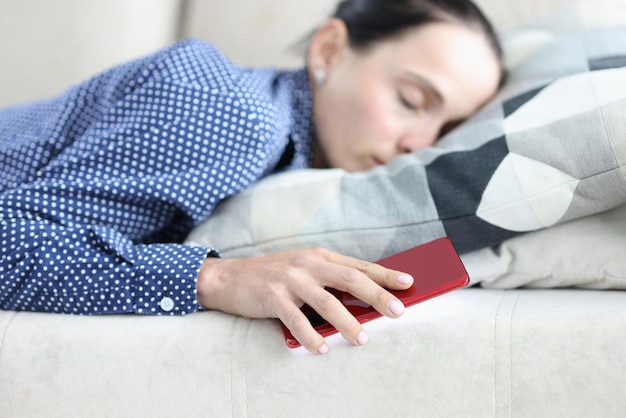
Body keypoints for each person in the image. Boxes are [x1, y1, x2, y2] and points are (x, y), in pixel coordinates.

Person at [0, 0, 503, 354]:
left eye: (448, 130)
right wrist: (216, 277)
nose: (420, 143)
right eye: (412, 101)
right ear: (329, 50)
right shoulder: (232, 116)